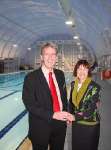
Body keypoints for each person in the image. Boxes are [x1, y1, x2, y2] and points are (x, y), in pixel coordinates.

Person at [22, 42, 74, 150]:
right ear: (41, 57)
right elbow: (30, 105)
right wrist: (52, 115)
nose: (50, 57)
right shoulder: (31, 78)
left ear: (56, 57)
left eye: (53, 54)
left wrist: (67, 113)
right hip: (40, 127)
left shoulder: (60, 74)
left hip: (60, 125)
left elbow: (63, 98)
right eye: (47, 54)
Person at [69, 59, 101, 150]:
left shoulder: (94, 87)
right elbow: (71, 102)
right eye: (79, 69)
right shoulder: (73, 84)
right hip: (77, 124)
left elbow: (90, 109)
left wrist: (74, 117)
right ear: (76, 70)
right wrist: (69, 114)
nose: (82, 71)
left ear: (88, 71)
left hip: (90, 125)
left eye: (85, 69)